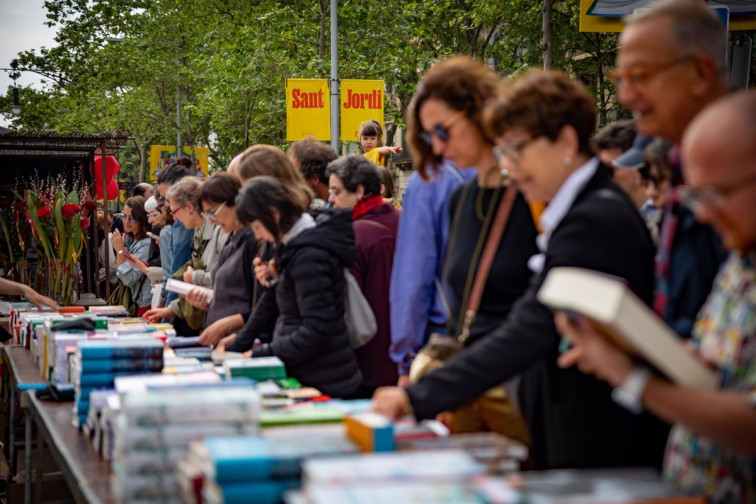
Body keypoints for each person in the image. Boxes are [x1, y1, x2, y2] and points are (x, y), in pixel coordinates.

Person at [373, 70, 669, 470]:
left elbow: (532, 325)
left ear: (565, 141)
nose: (509, 166)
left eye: (516, 150)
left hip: (593, 439)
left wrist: (418, 396)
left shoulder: (592, 217)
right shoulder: (585, 209)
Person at [554, 91, 756, 504]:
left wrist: (630, 377)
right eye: (695, 195)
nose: (703, 213)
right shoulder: (740, 259)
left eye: (716, 193)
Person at [402, 55, 539, 441]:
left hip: (523, 394)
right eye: (429, 137)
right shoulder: (462, 198)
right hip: (473, 390)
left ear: (479, 111)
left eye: (442, 131)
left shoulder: (533, 195)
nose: (438, 146)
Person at [612, 0, 728, 339]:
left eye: (640, 77)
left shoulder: (737, 172)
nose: (625, 96)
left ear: (700, 73)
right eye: (619, 78)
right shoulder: (675, 167)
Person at [224, 176, 362, 398]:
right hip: (310, 371)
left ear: (274, 214)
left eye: (257, 227)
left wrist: (264, 353)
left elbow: (317, 328)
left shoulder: (309, 254)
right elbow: (274, 301)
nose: (258, 235)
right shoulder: (292, 247)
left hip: (325, 378)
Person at [327, 155, 400, 392]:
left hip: (368, 361)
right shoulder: (405, 220)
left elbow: (343, 308)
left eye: (336, 191)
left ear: (358, 191)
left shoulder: (353, 236)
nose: (331, 199)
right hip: (408, 358)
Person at [181, 174, 258, 347]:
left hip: (240, 343)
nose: (211, 221)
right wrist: (208, 301)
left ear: (233, 202)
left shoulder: (252, 241)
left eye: (212, 212)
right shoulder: (231, 239)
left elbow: (260, 305)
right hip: (223, 342)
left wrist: (226, 324)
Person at [143, 177, 228, 333]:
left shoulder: (219, 230)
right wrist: (172, 309)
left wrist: (195, 277)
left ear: (189, 207)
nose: (173, 217)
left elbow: (224, 279)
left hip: (218, 320)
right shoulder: (198, 233)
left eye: (174, 211)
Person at [156, 163, 194, 306]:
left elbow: (176, 274)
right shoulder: (177, 224)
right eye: (163, 199)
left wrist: (168, 314)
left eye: (167, 197)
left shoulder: (182, 224)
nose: (166, 204)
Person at [111, 197, 153, 317]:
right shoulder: (133, 240)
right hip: (140, 300)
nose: (127, 221)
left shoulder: (146, 244)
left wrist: (119, 250)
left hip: (145, 302)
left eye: (132, 218)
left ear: (142, 219)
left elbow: (128, 279)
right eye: (124, 216)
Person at [289, 138, 337, 208]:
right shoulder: (328, 208)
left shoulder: (336, 212)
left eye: (295, 176)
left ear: (314, 180)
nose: (291, 182)